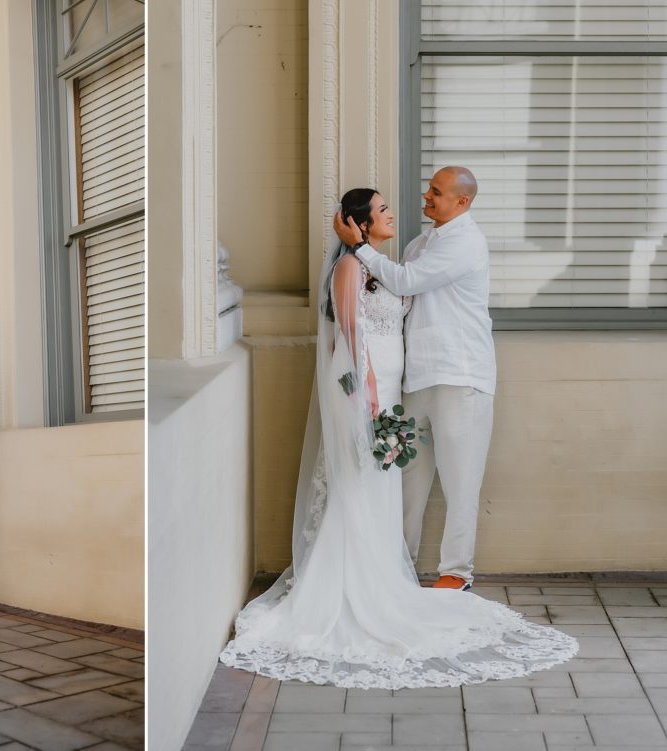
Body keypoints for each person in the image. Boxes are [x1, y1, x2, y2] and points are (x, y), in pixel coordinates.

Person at [219, 188, 577, 688]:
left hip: (405, 382)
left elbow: (405, 289)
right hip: (372, 389)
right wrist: (365, 393)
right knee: (364, 479)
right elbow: (348, 335)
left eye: (432, 192)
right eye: (383, 209)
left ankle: (400, 573)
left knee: (388, 480)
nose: (404, 207)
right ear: (359, 224)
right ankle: (355, 582)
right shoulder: (356, 266)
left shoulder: (425, 252)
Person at [335, 166, 492, 591]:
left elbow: (405, 280)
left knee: (461, 480)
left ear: (462, 202)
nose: (426, 197)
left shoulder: (466, 243)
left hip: (460, 374)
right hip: (413, 378)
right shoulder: (421, 241)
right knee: (407, 478)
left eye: (436, 193)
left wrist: (359, 248)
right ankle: (397, 566)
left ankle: (456, 572)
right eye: (429, 189)